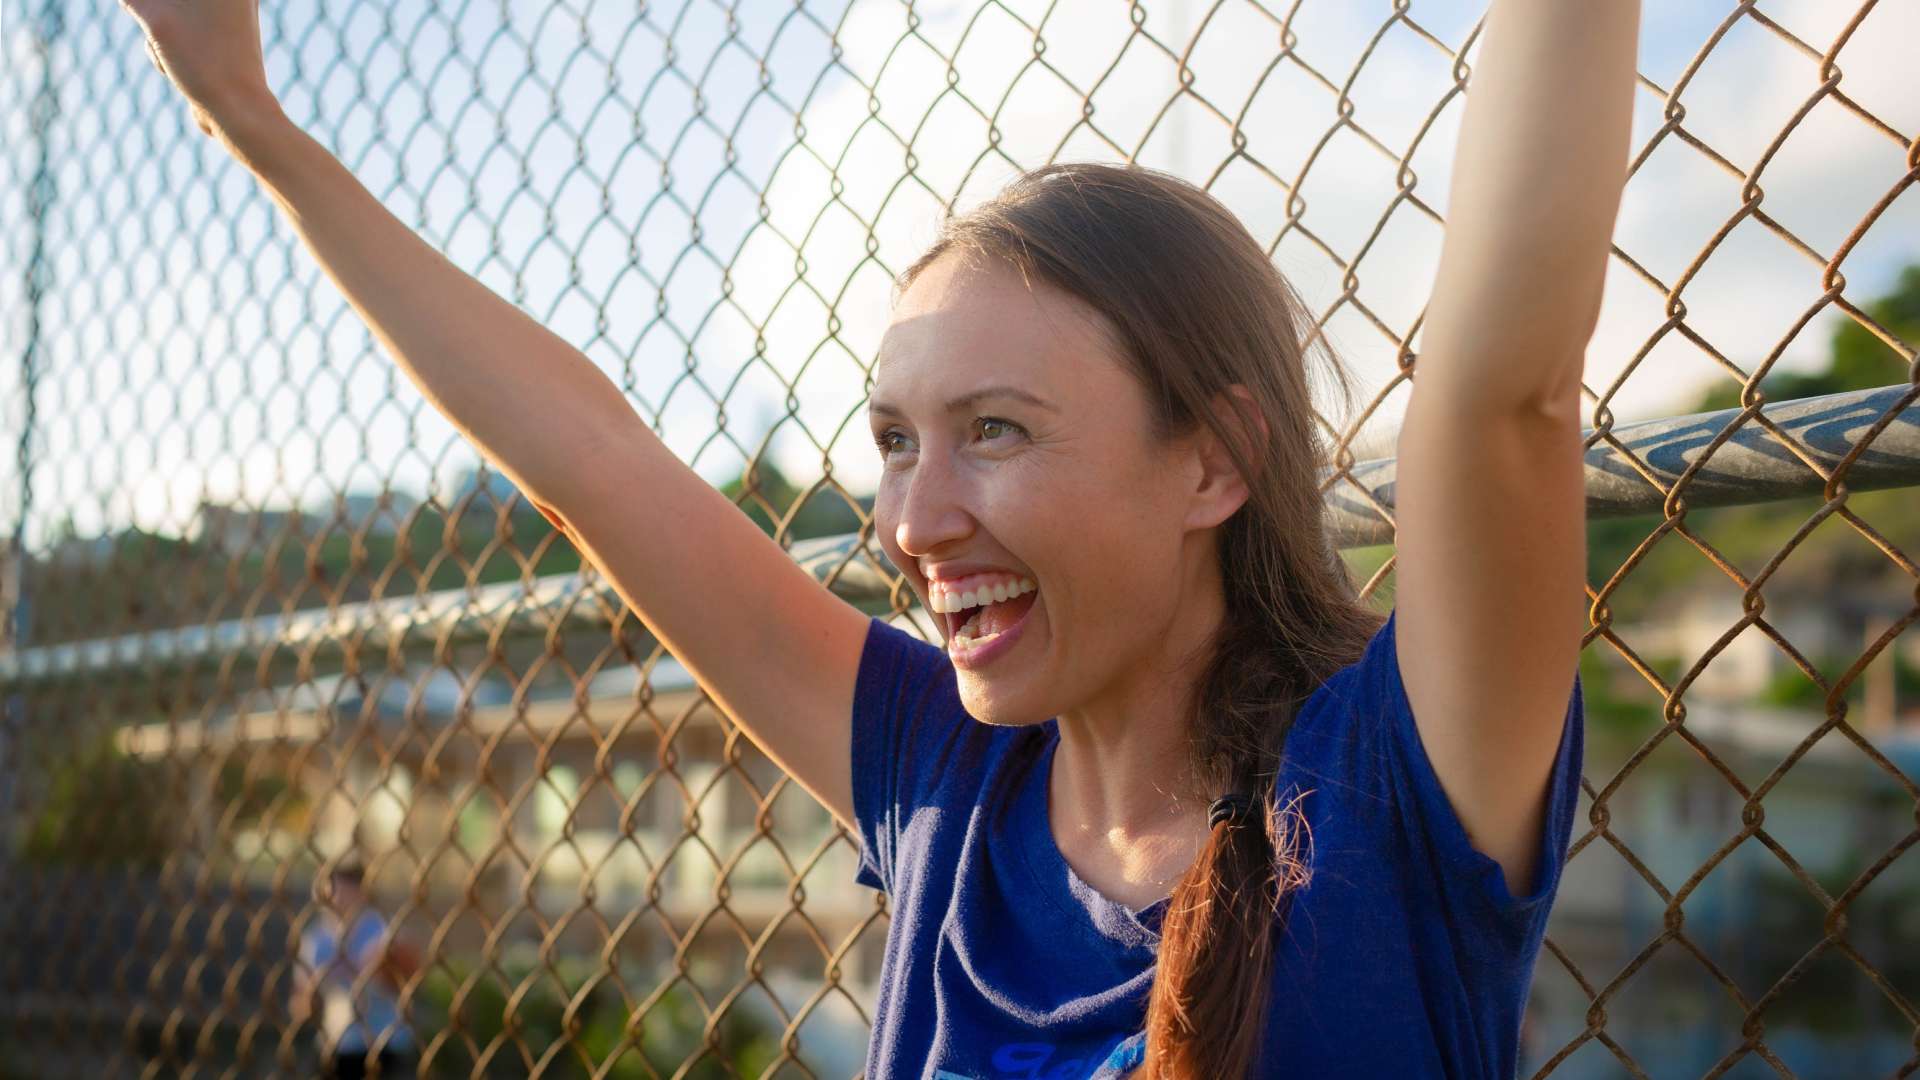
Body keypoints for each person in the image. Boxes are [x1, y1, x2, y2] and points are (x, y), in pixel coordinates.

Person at [120, 0, 1638, 1074]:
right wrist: (250, 117)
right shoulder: (941, 780)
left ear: (1219, 459)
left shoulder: (1387, 787)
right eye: (895, 441)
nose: (912, 522)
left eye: (997, 431)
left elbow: (1505, 398)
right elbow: (588, 457)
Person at [292, 859, 421, 1079]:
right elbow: (300, 1003)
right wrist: (312, 995)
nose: (333, 897)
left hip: (384, 1042)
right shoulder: (316, 939)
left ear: (362, 893)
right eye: (327, 888)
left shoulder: (384, 930)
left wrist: (381, 966)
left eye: (341, 889)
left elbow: (411, 980)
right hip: (338, 1043)